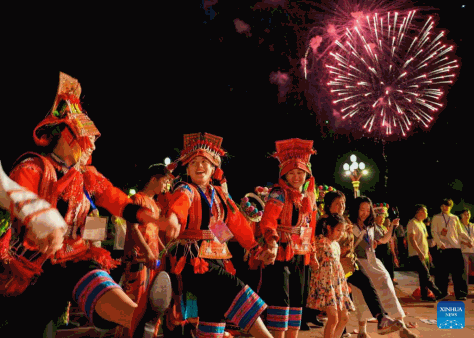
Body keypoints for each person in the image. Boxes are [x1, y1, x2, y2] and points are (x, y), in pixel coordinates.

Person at [0, 73, 166, 338]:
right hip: (27, 274)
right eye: (86, 139)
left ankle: (137, 317)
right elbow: (20, 200)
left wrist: (144, 217)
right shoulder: (32, 167)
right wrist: (42, 224)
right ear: (65, 137)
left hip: (71, 262)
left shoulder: (86, 178)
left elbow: (112, 198)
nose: (91, 147)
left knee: (88, 272)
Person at [161, 132, 272, 338]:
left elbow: (234, 223)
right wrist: (175, 219)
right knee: (236, 289)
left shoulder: (219, 194)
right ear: (187, 167)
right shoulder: (186, 189)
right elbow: (180, 206)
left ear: (214, 168)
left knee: (213, 315)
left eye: (205, 162)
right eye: (194, 162)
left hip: (218, 258)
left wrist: (255, 248)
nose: (199, 166)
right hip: (193, 260)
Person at [318, 191, 403, 337]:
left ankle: (381, 318)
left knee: (363, 285)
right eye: (337, 203)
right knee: (336, 313)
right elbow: (322, 243)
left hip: (346, 266)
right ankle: (346, 332)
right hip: (329, 269)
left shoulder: (345, 221)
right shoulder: (324, 221)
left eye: (343, 203)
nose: (341, 206)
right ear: (328, 205)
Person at [258, 138, 318, 338]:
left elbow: (311, 226)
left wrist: (313, 252)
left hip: (301, 253)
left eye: (300, 172)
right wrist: (272, 241)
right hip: (282, 252)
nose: (296, 176)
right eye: (291, 173)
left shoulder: (308, 197)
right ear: (284, 174)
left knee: (297, 300)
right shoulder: (278, 194)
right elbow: (268, 220)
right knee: (280, 299)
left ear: (307, 174)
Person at [350, 196, 417, 338]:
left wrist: (392, 226)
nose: (365, 213)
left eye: (368, 210)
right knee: (360, 296)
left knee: (388, 288)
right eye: (362, 209)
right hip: (357, 264)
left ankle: (402, 327)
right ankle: (362, 331)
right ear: (355, 209)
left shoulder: (371, 225)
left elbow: (383, 240)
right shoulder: (350, 225)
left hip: (373, 261)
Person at [307, 213, 354, 338]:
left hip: (337, 285)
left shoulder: (336, 244)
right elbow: (314, 258)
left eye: (342, 230)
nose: (341, 233)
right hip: (326, 285)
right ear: (329, 228)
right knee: (333, 318)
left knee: (344, 317)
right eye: (338, 230)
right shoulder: (321, 241)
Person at [431, 198, 472, 300]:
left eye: (448, 206)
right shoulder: (436, 217)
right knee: (441, 273)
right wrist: (440, 244)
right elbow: (434, 232)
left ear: (451, 207)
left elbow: (460, 231)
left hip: (455, 247)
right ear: (441, 206)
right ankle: (441, 293)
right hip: (443, 248)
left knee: (459, 272)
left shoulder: (454, 218)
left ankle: (461, 294)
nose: (446, 207)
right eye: (444, 205)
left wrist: (468, 238)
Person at [406, 204, 444, 301]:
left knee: (423, 276)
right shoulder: (412, 223)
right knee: (426, 274)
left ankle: (424, 295)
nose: (426, 213)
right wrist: (419, 252)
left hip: (424, 253)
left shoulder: (422, 224)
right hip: (416, 254)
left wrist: (428, 253)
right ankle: (437, 292)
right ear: (420, 212)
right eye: (425, 211)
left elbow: (424, 240)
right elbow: (411, 239)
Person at [373, 203, 398, 283]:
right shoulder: (374, 227)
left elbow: (389, 239)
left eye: (384, 216)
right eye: (381, 217)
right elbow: (380, 241)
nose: (383, 219)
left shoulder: (383, 227)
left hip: (387, 251)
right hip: (380, 252)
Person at [459, 209, 474, 290]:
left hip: (473, 250)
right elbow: (457, 238)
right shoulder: (459, 226)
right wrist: (466, 243)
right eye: (465, 214)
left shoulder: (472, 225)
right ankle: (465, 290)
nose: (467, 216)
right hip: (463, 251)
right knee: (464, 272)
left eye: (468, 214)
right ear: (461, 216)